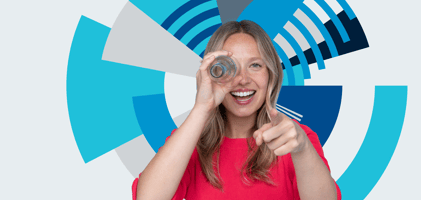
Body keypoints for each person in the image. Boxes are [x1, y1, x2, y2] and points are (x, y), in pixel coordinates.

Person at [132, 20, 341, 200]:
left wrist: (302, 148)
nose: (242, 79)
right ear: (212, 74)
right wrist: (202, 107)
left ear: (271, 75)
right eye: (229, 66)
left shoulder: (293, 141)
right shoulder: (190, 143)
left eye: (255, 65)